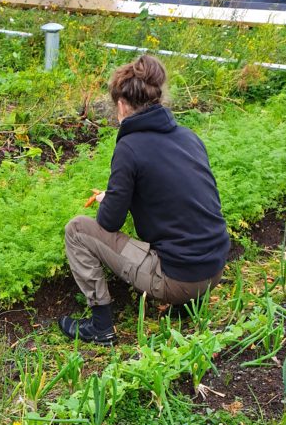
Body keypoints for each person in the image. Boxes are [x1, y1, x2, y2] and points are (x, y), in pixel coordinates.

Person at [59, 54, 231, 345]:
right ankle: (189, 307)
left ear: (122, 105)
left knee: (77, 230)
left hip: (177, 280)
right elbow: (175, 194)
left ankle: (100, 327)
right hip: (213, 270)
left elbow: (109, 222)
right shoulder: (189, 137)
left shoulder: (130, 147)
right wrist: (117, 195)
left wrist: (112, 200)